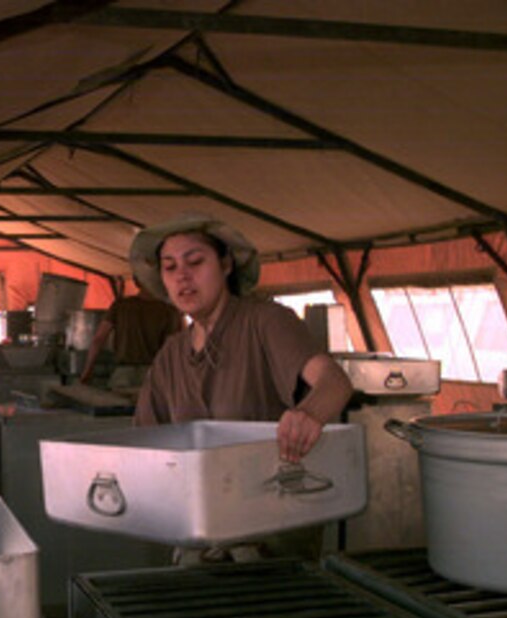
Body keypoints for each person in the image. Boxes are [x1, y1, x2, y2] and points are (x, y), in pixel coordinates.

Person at [128, 213, 354, 560]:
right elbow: (144, 441)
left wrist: (309, 413)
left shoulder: (265, 321)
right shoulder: (172, 353)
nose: (182, 276)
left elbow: (334, 381)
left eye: (195, 261)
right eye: (170, 267)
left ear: (226, 264)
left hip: (273, 530)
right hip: (201, 531)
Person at [78, 277, 183, 390]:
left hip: (123, 374)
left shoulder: (121, 305)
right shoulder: (169, 311)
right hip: (152, 376)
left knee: (119, 406)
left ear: (136, 282)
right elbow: (171, 349)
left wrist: (87, 371)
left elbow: (98, 339)